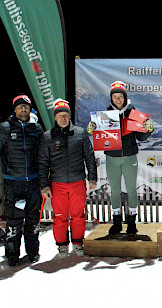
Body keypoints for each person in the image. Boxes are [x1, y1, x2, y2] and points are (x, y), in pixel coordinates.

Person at [39, 99, 97, 258]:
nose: (63, 118)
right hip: (58, 184)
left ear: (69, 117)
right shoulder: (47, 137)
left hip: (77, 182)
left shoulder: (79, 133)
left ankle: (78, 242)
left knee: (78, 216)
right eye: (60, 116)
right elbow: (43, 163)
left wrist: (92, 177)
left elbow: (89, 156)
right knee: (60, 217)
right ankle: (62, 245)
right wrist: (44, 185)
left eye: (65, 115)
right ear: (55, 118)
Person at [103, 81, 154, 235]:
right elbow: (101, 137)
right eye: (115, 96)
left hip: (130, 156)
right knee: (115, 191)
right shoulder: (105, 114)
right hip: (112, 157)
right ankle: (117, 222)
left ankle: (132, 221)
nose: (118, 100)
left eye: (121, 97)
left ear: (125, 98)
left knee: (132, 190)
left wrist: (148, 130)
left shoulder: (133, 113)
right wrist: (94, 129)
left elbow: (141, 137)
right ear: (111, 98)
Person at [0, 94, 43, 266]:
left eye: (26, 106)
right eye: (20, 106)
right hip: (13, 182)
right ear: (15, 109)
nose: (23, 109)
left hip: (33, 182)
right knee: (14, 222)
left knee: (32, 221)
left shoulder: (36, 129)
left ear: (30, 109)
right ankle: (12, 255)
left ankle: (33, 253)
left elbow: (43, 154)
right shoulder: (4, 128)